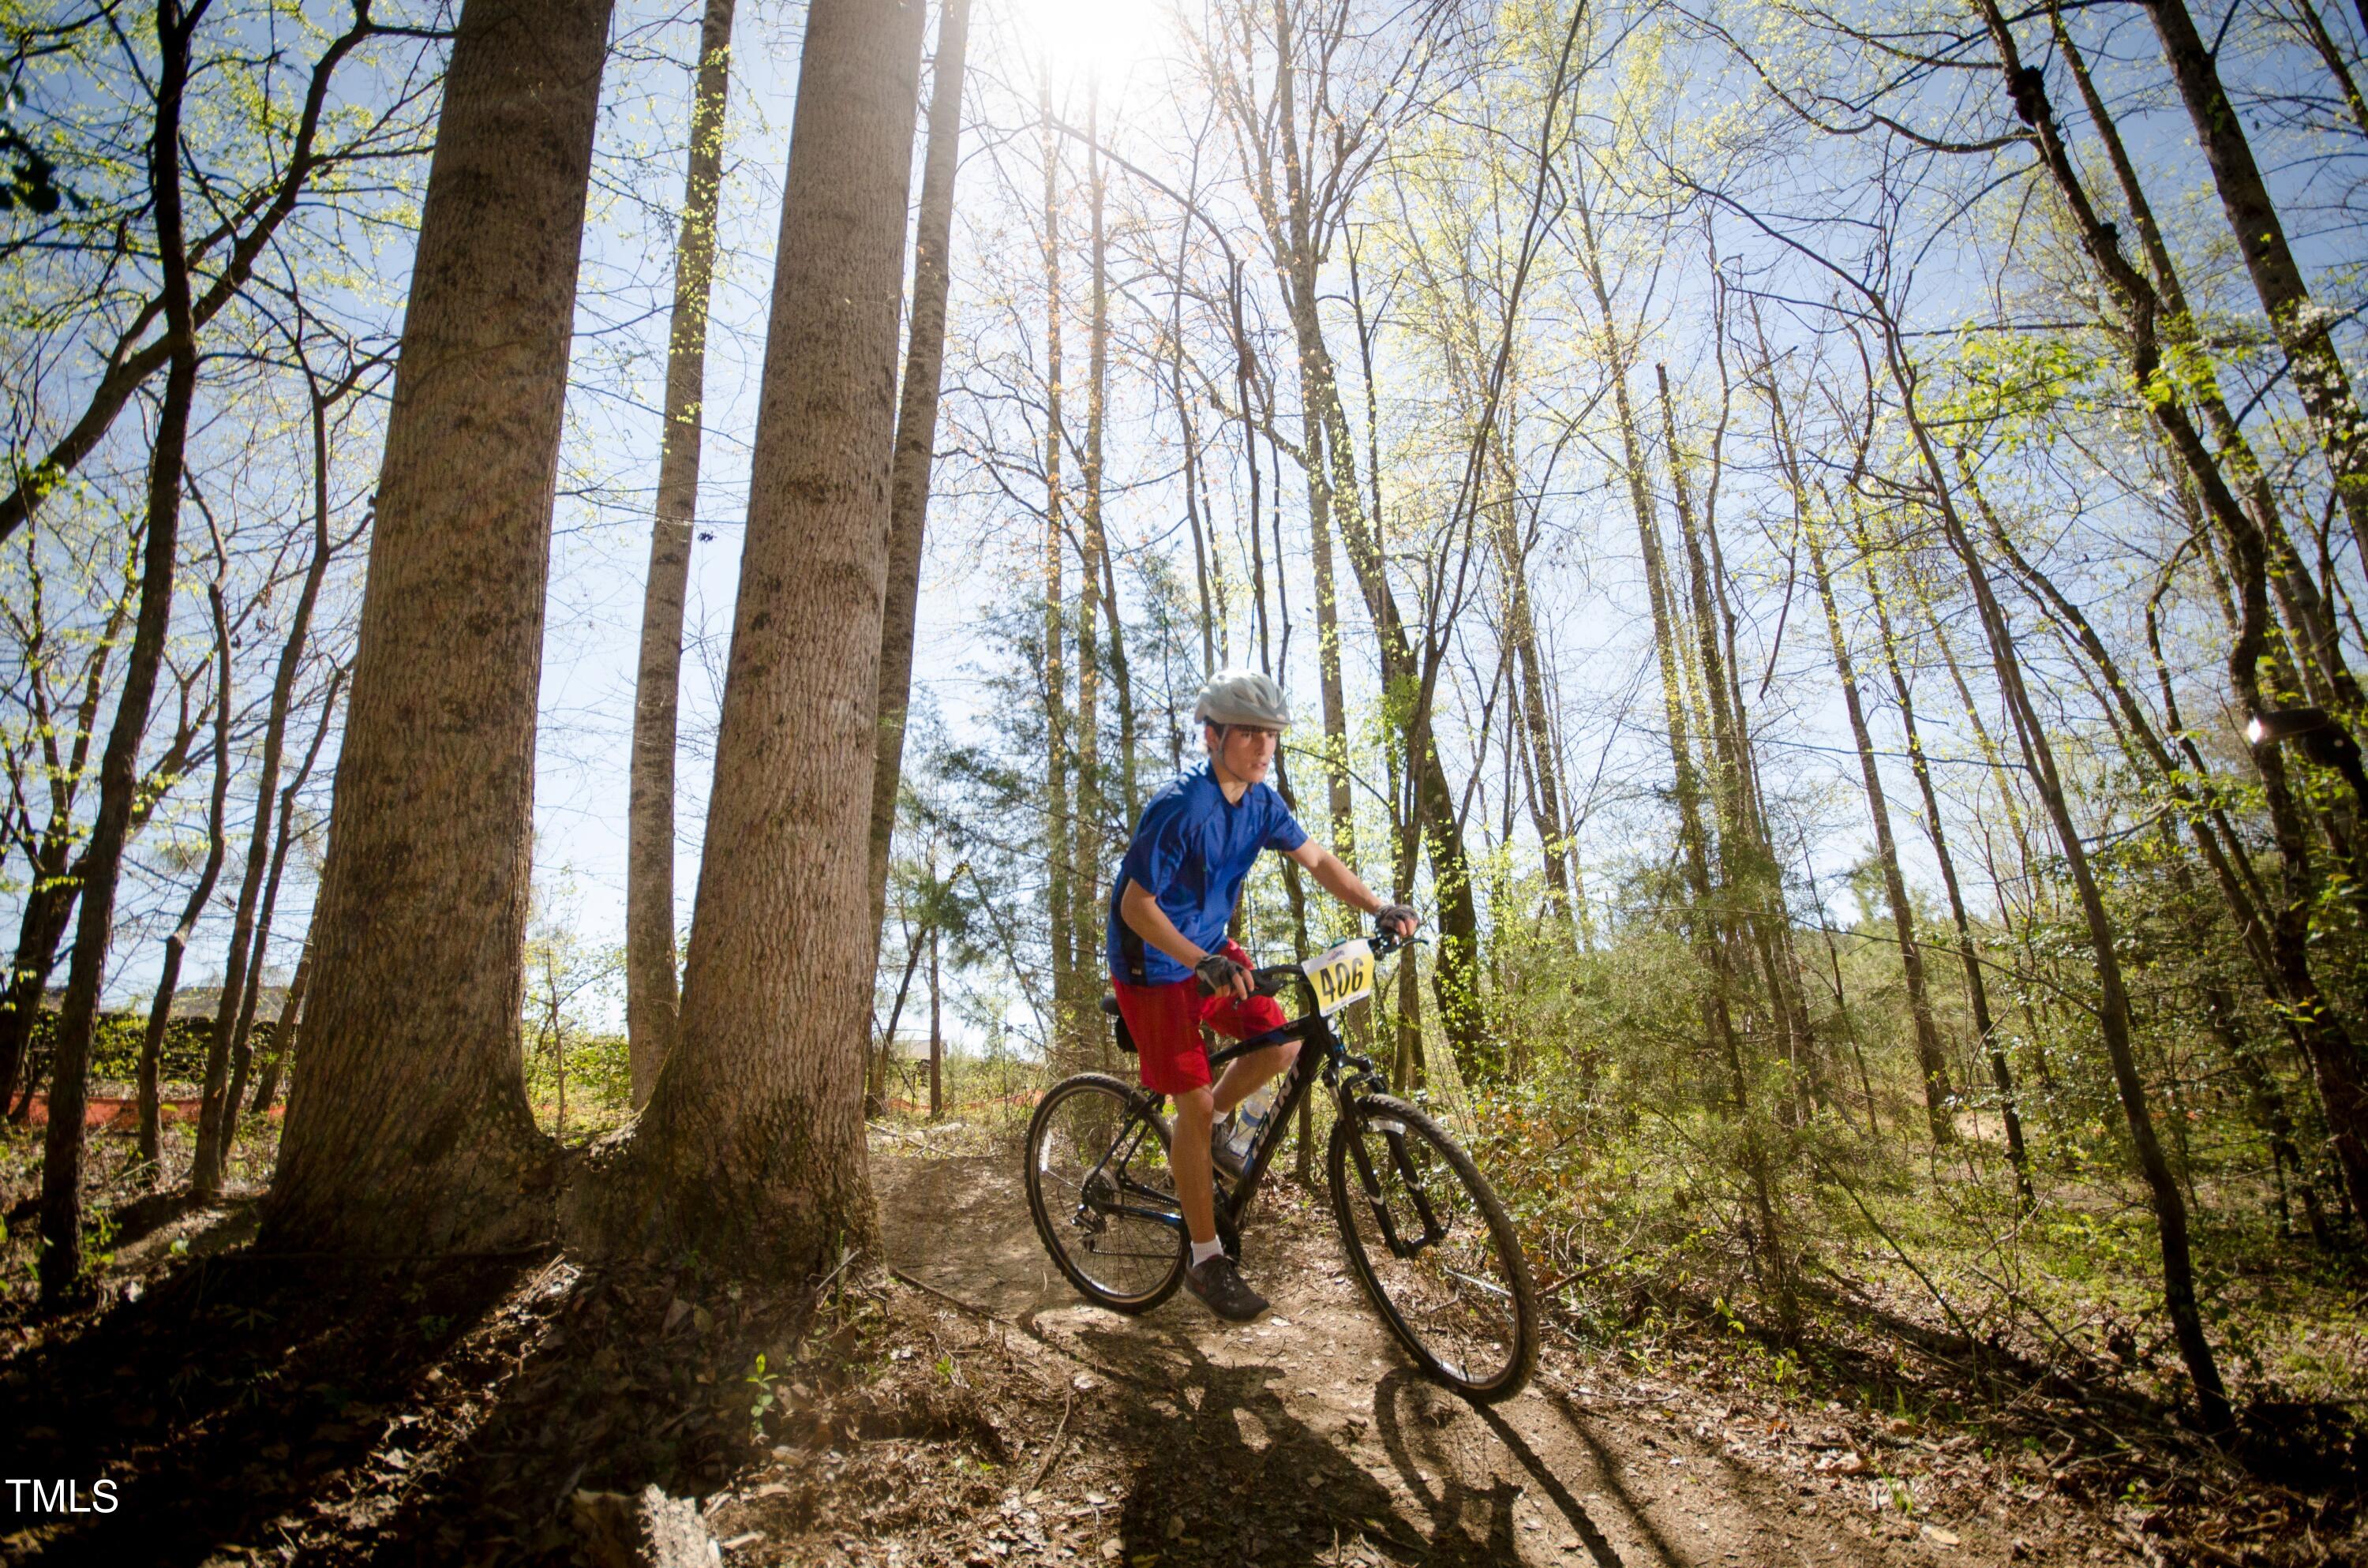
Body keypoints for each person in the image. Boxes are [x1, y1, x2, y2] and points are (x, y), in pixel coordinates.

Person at [1106, 668, 1418, 1322]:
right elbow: (1137, 906)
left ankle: (1213, 1131)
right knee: (1190, 1098)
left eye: (1272, 733)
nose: (1263, 745)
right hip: (1153, 961)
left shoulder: (1262, 802)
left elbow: (1319, 860)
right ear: (1213, 735)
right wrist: (1202, 961)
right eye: (1249, 732)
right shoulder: (1179, 806)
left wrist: (1379, 904)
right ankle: (1204, 1258)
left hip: (1209, 951)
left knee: (1282, 1041)